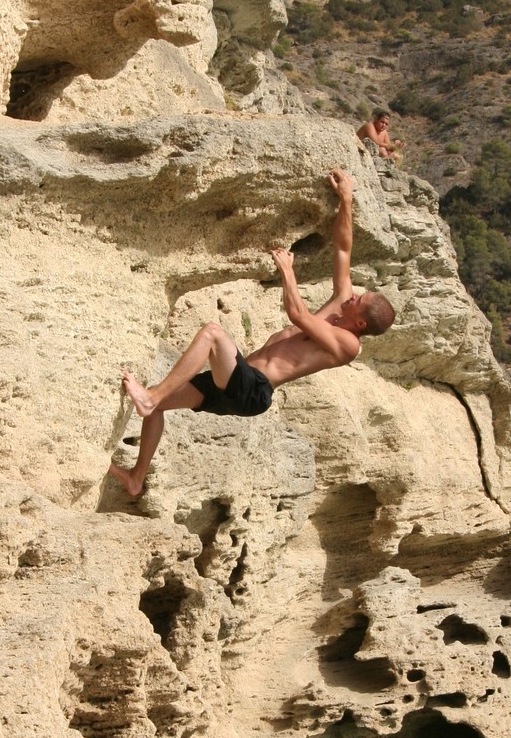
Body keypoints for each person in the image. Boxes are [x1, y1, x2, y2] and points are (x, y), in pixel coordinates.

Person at [108, 169, 395, 497]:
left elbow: (298, 315)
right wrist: (346, 198)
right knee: (161, 406)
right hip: (237, 379)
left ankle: (149, 399)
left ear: (361, 324)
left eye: (360, 301)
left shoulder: (347, 345)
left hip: (253, 390)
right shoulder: (341, 304)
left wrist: (288, 272)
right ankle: (136, 477)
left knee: (212, 334)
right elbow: (343, 249)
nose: (354, 295)